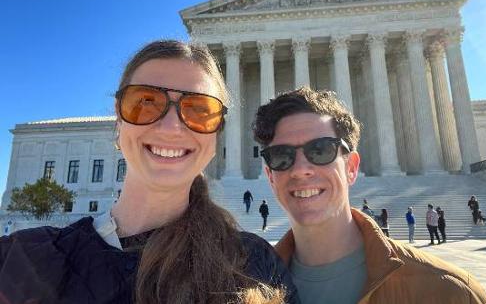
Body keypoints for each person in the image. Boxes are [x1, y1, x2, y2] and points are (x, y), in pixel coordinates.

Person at [0, 40, 299, 304]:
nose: (171, 128)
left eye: (199, 109)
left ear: (216, 135)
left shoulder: (257, 266)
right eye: (145, 102)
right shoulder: (20, 260)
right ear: (118, 117)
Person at [253, 86, 486, 304]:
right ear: (270, 176)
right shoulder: (241, 291)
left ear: (352, 168)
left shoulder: (452, 294)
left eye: (321, 150)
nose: (300, 170)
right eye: (281, 156)